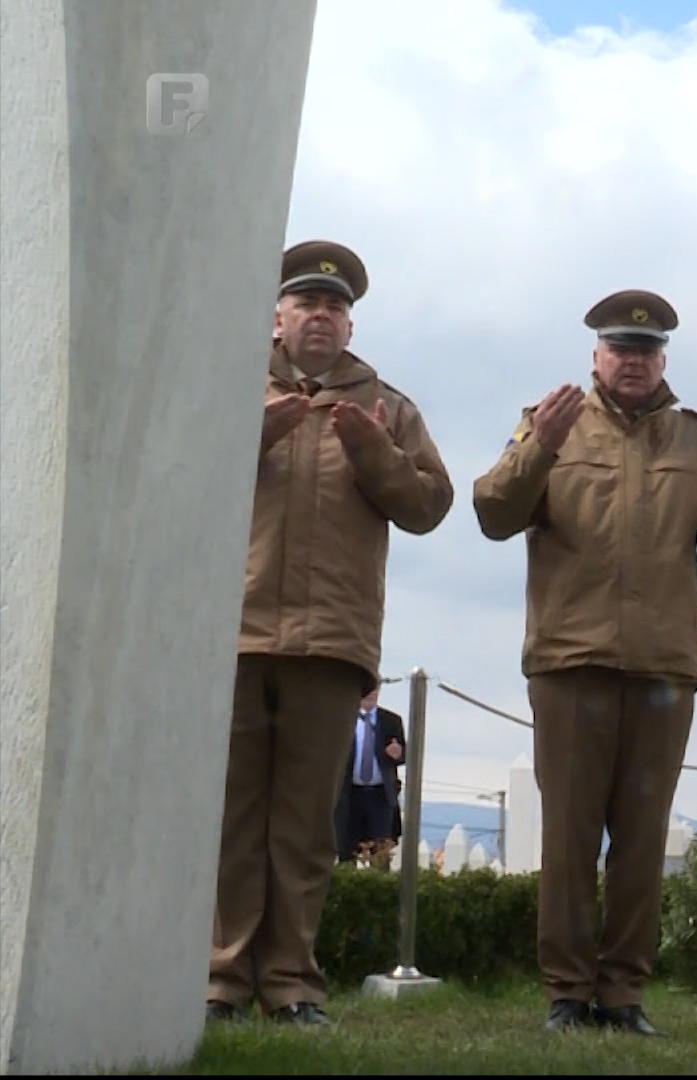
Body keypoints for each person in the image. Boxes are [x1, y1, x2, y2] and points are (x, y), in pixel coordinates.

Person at [472, 288, 697, 1036]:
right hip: (571, 660)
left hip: (663, 669)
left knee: (640, 843)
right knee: (569, 838)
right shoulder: (551, 424)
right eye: (620, 349)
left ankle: (624, 995)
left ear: (662, 359)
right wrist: (539, 444)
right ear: (596, 357)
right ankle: (567, 992)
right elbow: (492, 513)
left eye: (646, 351)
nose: (633, 361)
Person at [207, 241, 454, 1026]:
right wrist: (251, 434)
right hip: (233, 631)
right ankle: (219, 980)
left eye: (336, 306)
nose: (322, 314)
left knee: (309, 825)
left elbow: (428, 507)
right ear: (276, 316)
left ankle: (290, 984)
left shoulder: (388, 405)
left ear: (350, 326)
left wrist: (374, 453)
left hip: (331, 640)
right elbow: (171, 474)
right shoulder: (226, 385)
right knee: (232, 816)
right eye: (307, 302)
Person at [333, 685, 406, 864]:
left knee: (380, 853)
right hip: (349, 795)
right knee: (346, 851)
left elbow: (403, 754)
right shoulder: (342, 719)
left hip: (380, 796)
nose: (371, 695)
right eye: (367, 690)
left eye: (374, 690)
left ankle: (380, 887)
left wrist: (397, 753)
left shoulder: (390, 720)